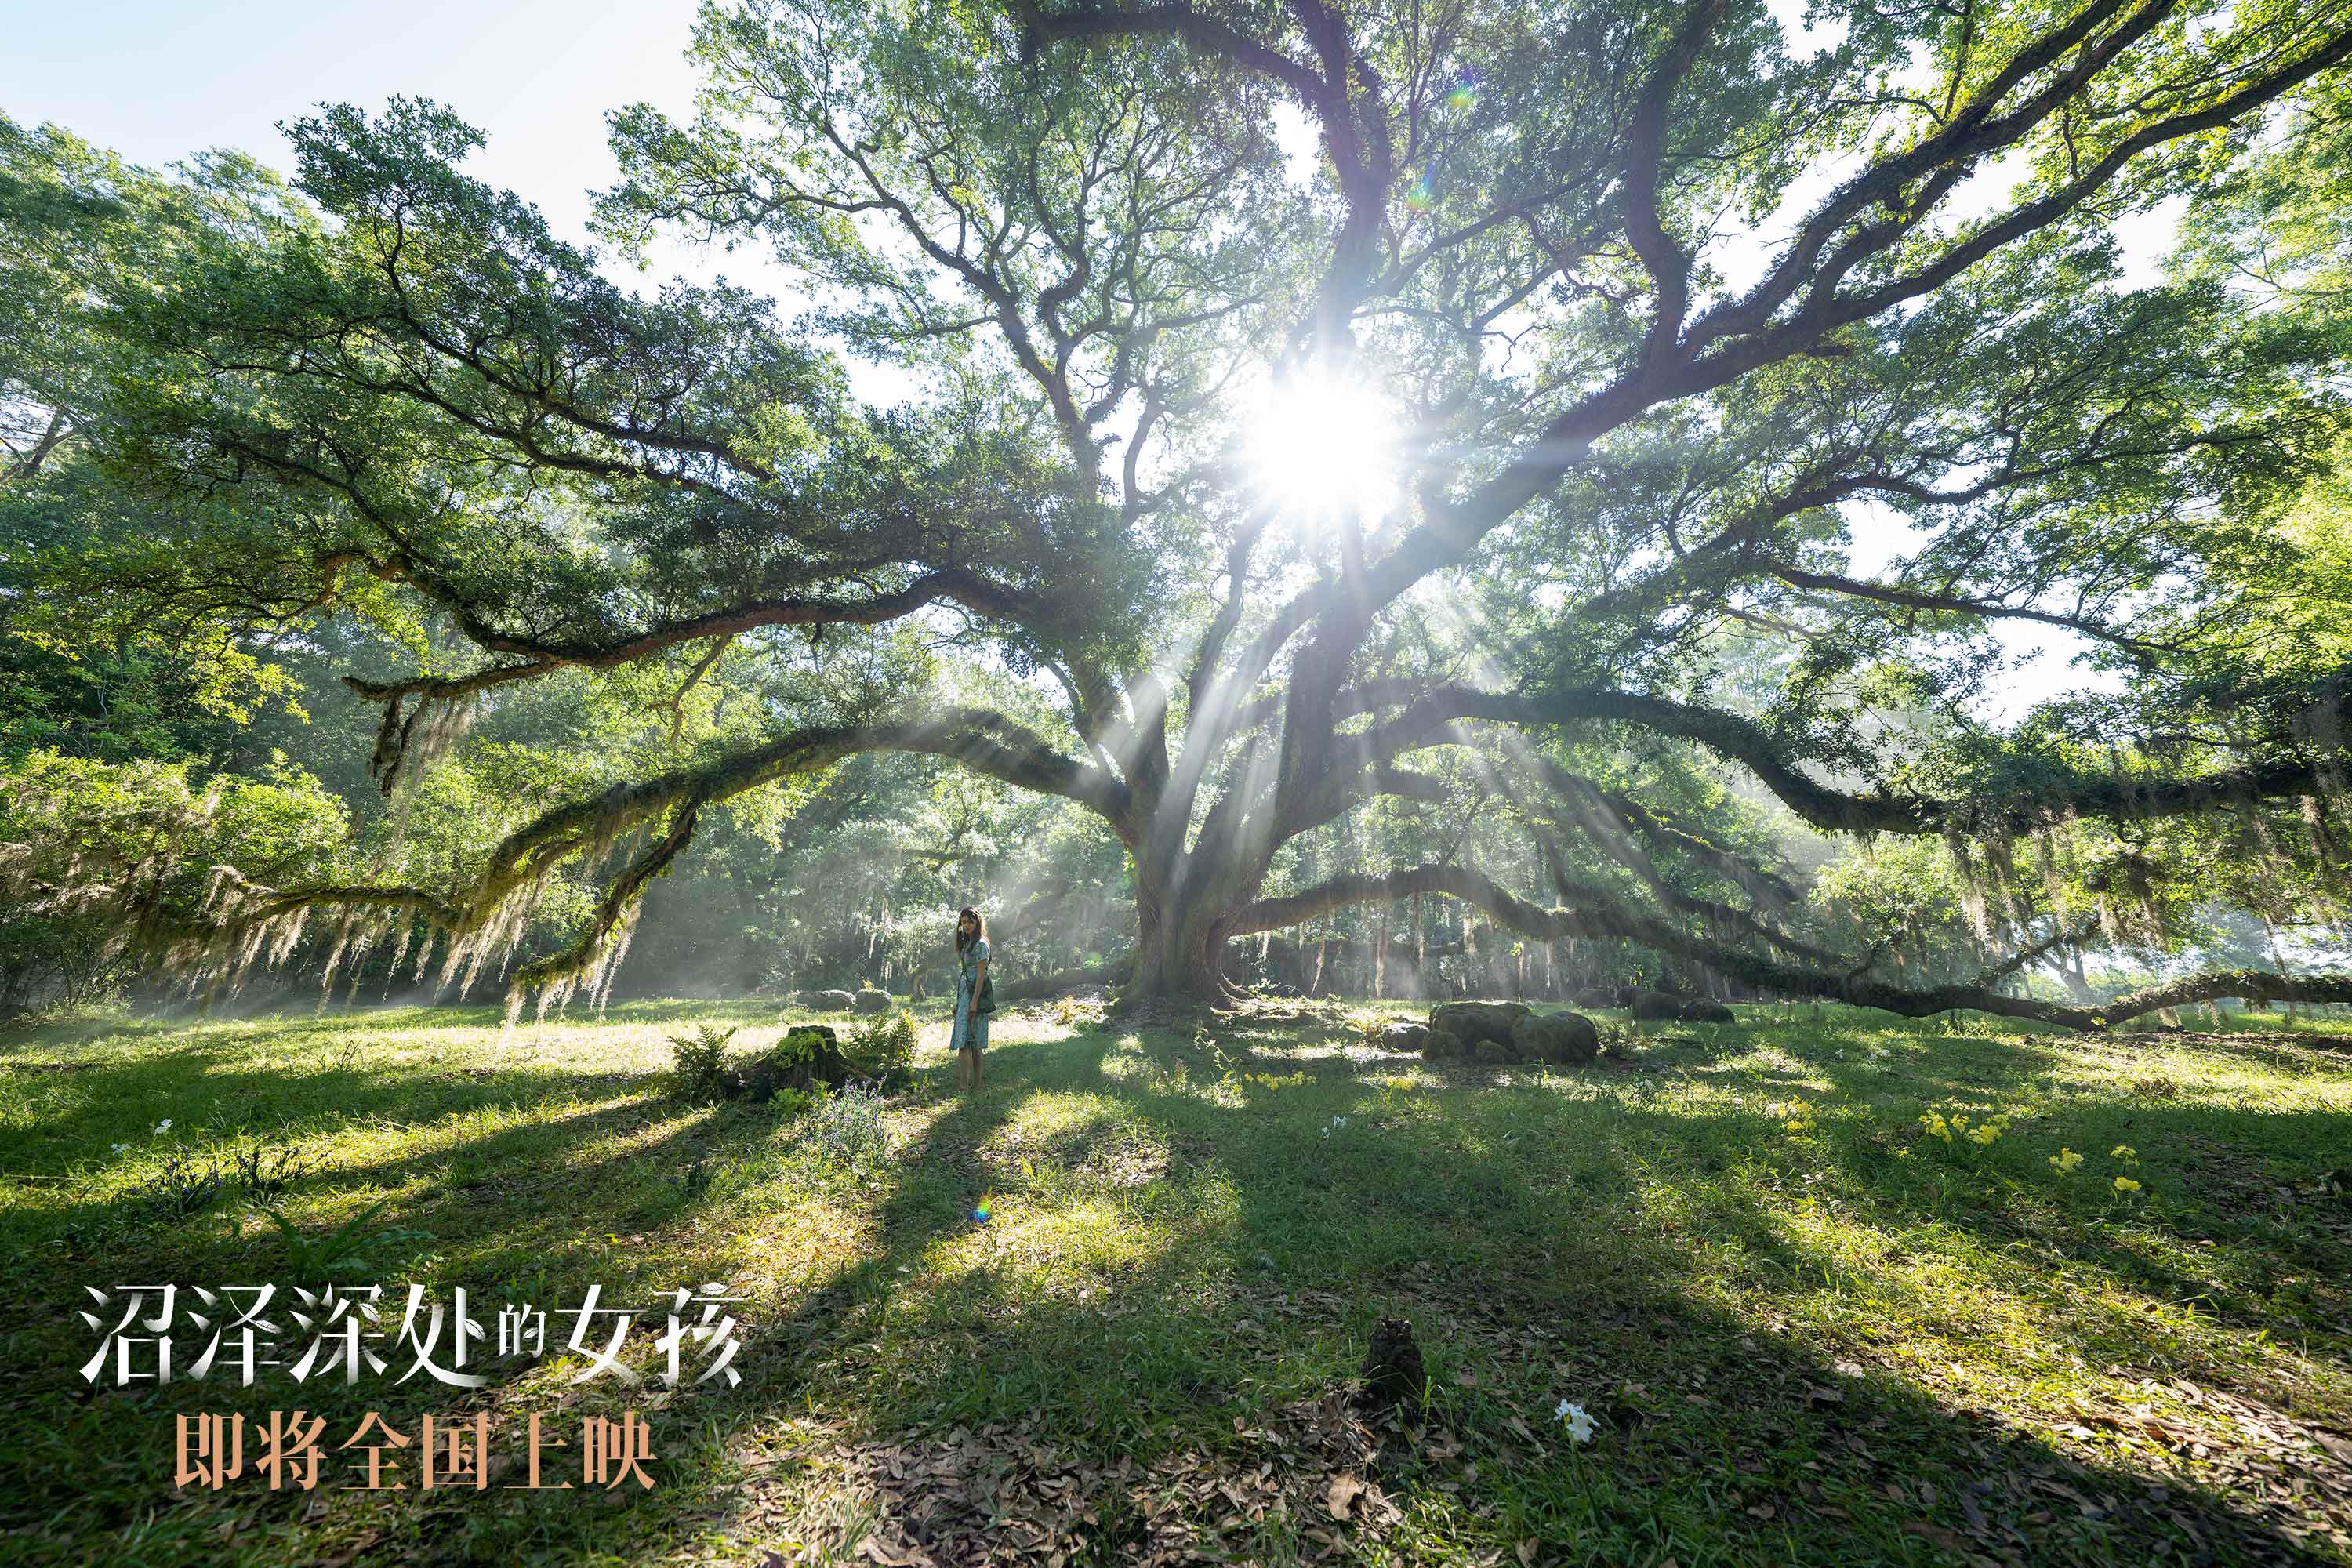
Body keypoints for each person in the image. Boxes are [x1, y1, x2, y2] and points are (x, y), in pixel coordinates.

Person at [950, 906, 993, 1091]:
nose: (966, 925)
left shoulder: (981, 945)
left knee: (971, 1042)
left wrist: (974, 1002)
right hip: (964, 995)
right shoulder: (966, 944)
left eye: (970, 922)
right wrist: (959, 1003)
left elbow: (981, 976)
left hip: (976, 996)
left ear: (977, 922)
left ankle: (967, 1086)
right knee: (967, 1041)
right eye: (963, 922)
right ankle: (972, 1086)